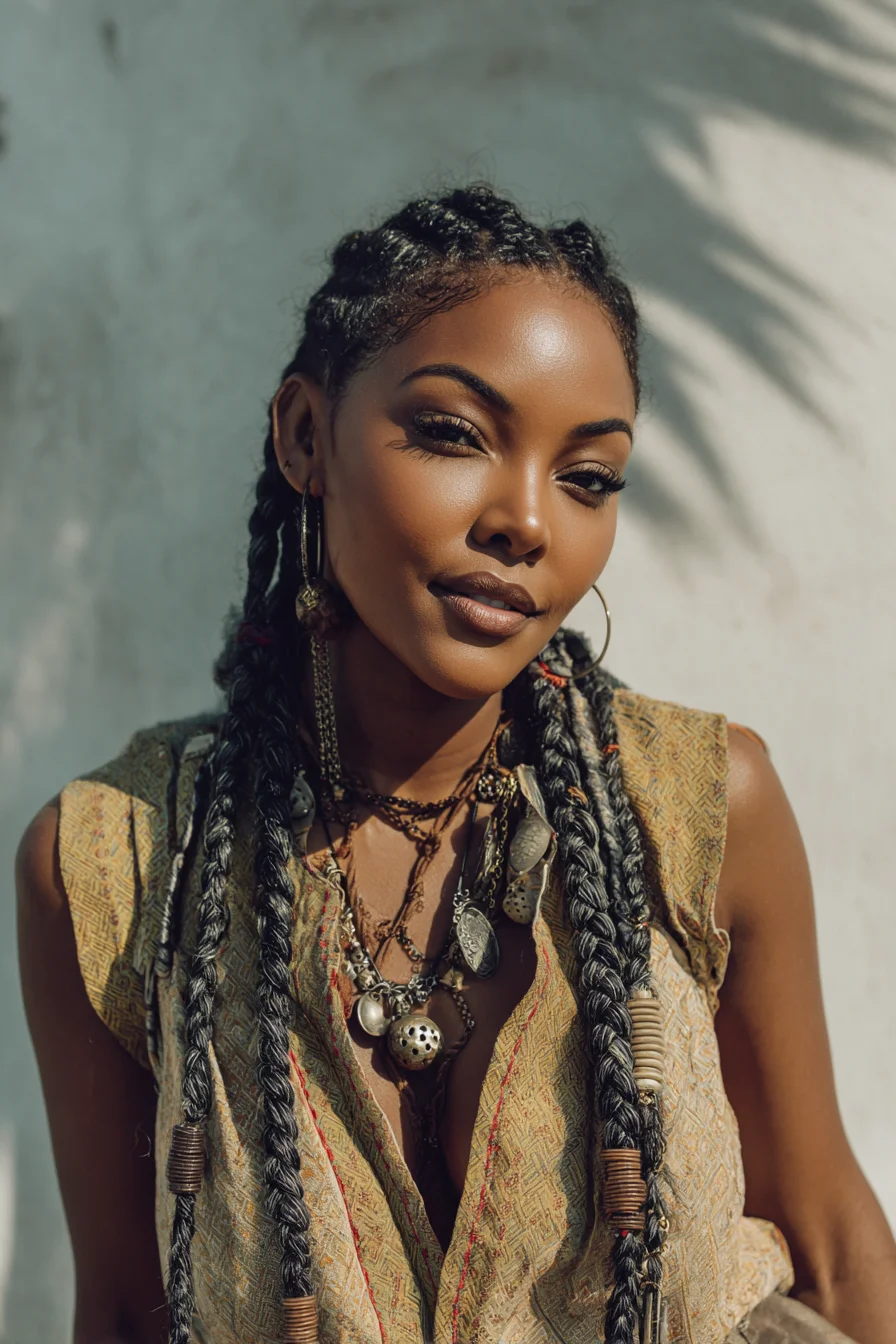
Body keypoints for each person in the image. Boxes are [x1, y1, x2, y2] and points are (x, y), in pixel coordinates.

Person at [15, 185, 896, 1344]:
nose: (526, 520)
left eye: (586, 477)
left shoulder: (698, 808)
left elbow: (831, 1249)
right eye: (452, 433)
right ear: (303, 437)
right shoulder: (119, 866)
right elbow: (131, 1311)